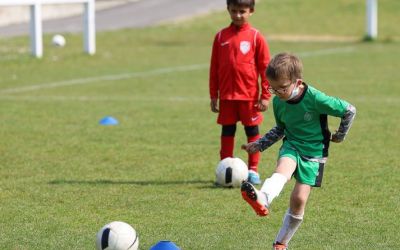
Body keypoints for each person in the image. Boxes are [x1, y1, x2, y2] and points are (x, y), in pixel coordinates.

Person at [240, 52, 356, 249]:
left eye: (282, 88)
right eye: (273, 88)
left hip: (315, 153)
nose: (277, 93)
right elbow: (281, 129)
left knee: (299, 199)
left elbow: (349, 110)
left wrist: (340, 135)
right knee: (282, 171)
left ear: (298, 82)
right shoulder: (278, 102)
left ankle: (281, 243)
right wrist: (260, 144)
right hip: (292, 145)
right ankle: (263, 198)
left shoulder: (315, 98)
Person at [209, 0, 271, 185]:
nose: (237, 15)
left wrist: (265, 96)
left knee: (252, 131)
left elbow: (265, 69)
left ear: (251, 11)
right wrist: (214, 95)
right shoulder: (221, 37)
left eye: (242, 11)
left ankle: (253, 171)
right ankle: (224, 168)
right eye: (234, 11)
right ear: (228, 9)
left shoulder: (255, 37)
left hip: (249, 97)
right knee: (227, 131)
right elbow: (214, 69)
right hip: (227, 97)